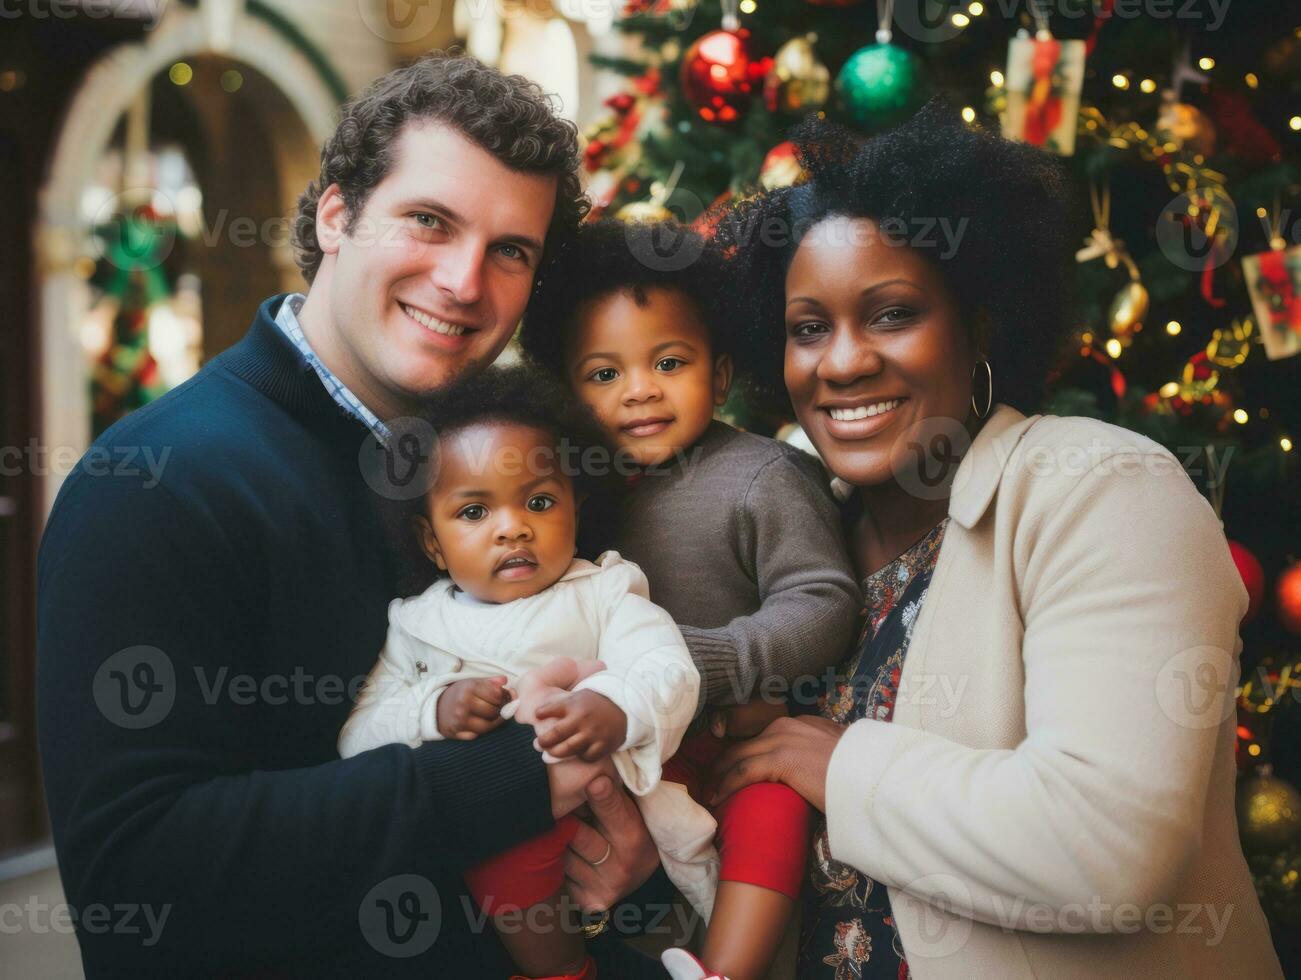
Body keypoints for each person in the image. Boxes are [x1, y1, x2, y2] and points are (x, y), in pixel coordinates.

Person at [36, 54, 664, 977]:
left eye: (509, 251)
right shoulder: (157, 483)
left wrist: (618, 869)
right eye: (428, 221)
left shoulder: (505, 463)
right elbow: (140, 874)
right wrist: (509, 783)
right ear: (336, 215)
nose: (461, 281)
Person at [710, 100, 1284, 978]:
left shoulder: (1099, 487)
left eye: (892, 313)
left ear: (978, 326)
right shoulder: (794, 538)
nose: (842, 362)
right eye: (807, 328)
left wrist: (843, 764)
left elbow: (1108, 849)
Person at [519, 219, 859, 979]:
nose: (638, 389)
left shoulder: (759, 476)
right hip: (635, 746)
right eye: (603, 375)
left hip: (740, 737)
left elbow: (824, 600)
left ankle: (726, 971)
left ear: (722, 373)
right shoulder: (576, 496)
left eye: (668, 362)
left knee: (770, 817)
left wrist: (705, 664)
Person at [338, 364, 720, 980]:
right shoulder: (417, 626)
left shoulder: (603, 590)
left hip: (620, 796)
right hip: (502, 825)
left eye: (539, 502)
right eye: (472, 512)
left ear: (574, 508)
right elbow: (356, 736)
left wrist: (616, 704)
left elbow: (667, 668)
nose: (513, 526)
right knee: (509, 853)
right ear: (431, 542)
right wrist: (432, 707)